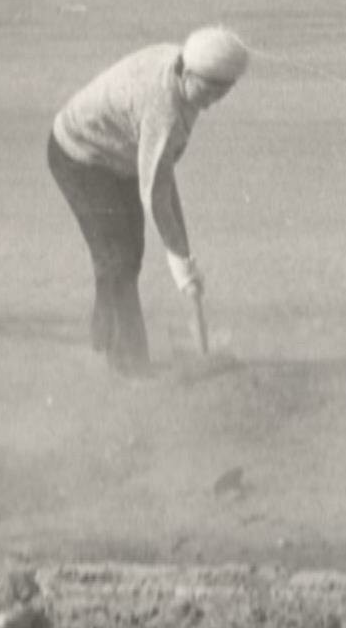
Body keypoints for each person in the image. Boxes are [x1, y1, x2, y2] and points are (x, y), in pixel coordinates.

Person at [47, 27, 249, 378]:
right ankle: (130, 366)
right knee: (120, 258)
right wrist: (181, 266)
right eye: (211, 90)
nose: (216, 101)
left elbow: (163, 178)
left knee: (126, 252)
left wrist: (183, 252)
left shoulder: (184, 69)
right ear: (188, 74)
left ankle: (104, 334)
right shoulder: (164, 109)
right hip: (81, 155)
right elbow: (156, 194)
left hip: (118, 153)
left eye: (225, 91)